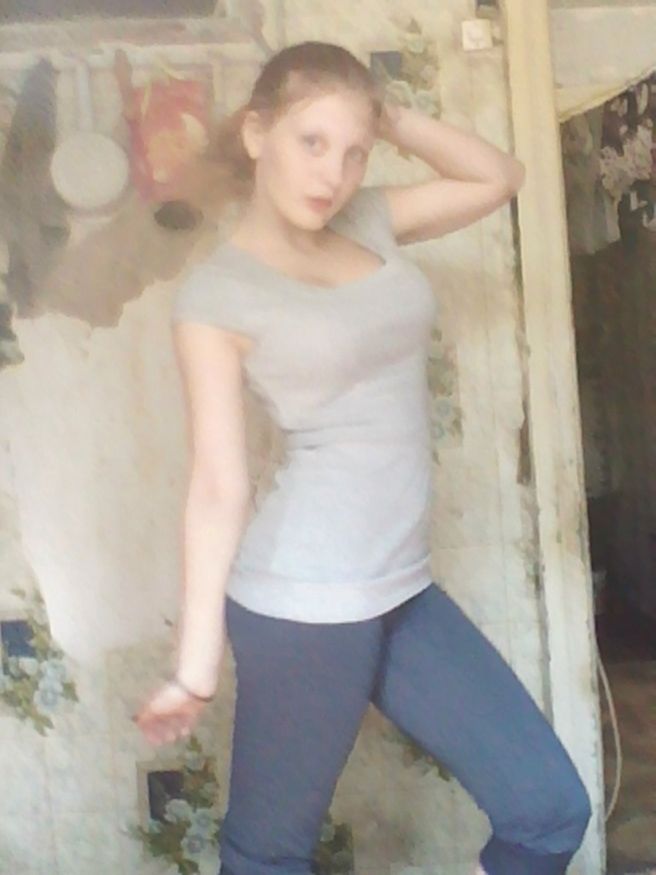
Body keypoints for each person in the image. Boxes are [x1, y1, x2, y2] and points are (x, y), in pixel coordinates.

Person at [134, 41, 592, 875]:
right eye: (311, 142)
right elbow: (217, 485)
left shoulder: (369, 217)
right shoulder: (217, 295)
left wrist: (389, 116)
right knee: (267, 856)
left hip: (401, 588)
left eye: (354, 151)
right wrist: (195, 667)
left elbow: (499, 177)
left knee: (549, 808)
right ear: (256, 134)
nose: (333, 174)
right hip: (303, 601)